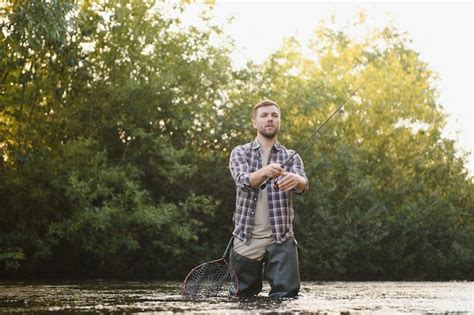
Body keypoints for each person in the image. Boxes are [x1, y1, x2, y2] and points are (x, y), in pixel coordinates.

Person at [228, 99, 309, 298]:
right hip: (245, 238)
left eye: (274, 115)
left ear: (279, 121)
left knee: (287, 299)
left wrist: (296, 180)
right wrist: (265, 172)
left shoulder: (292, 156)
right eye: (264, 115)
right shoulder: (240, 152)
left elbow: (303, 184)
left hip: (281, 238)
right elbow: (243, 181)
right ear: (254, 122)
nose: (270, 119)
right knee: (241, 300)